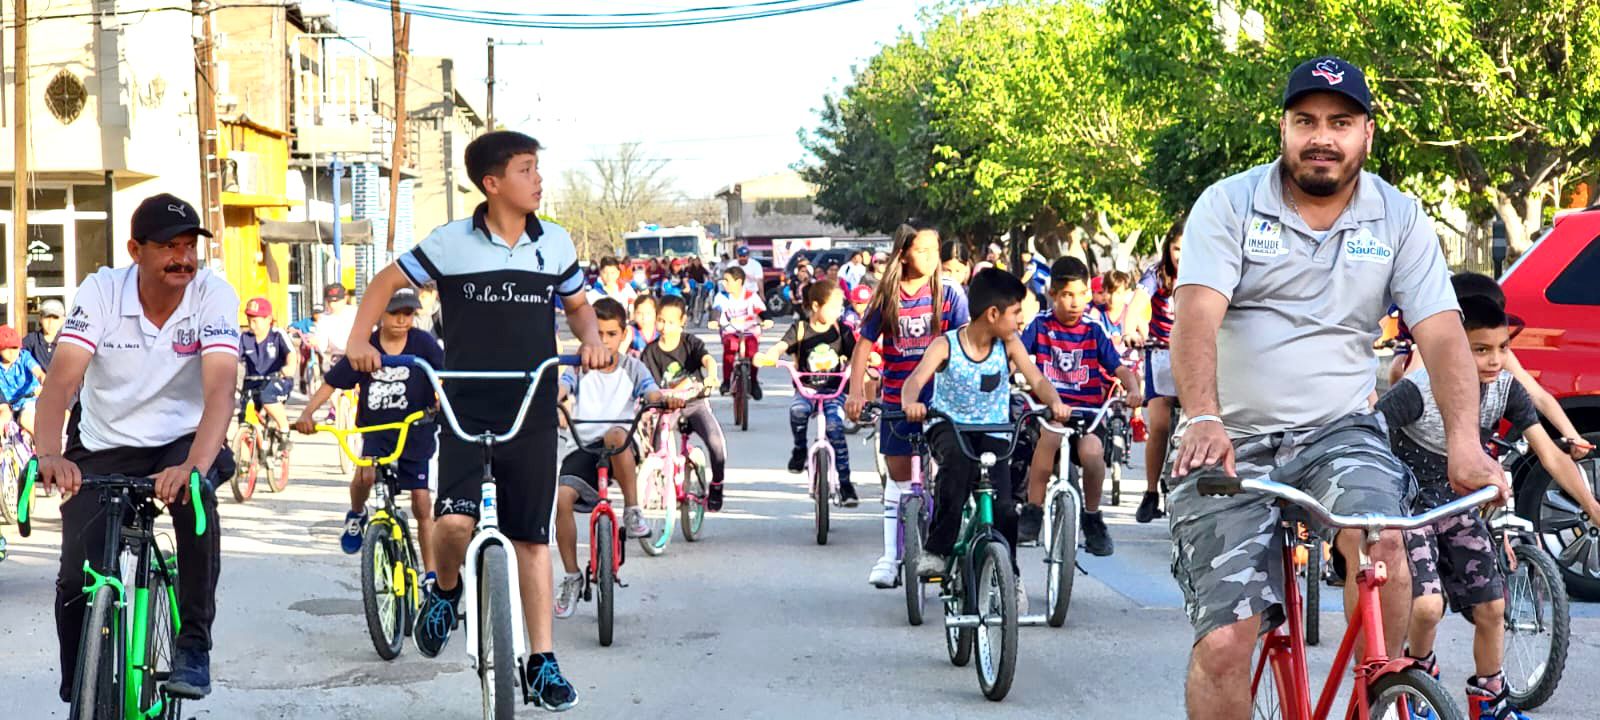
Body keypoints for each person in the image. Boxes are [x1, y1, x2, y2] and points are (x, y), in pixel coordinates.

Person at [1166, 57, 1501, 720]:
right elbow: (1197, 314)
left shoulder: (1398, 217)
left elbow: (1440, 334)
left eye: (1340, 122)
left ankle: (1374, 692)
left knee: (1388, 548)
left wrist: (1465, 443)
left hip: (1340, 434)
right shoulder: (1230, 204)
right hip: (1228, 438)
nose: (1322, 136)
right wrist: (1202, 417)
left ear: (1366, 134)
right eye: (1306, 121)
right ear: (1284, 129)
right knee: (1229, 644)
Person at [343, 130, 602, 710]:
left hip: (532, 407)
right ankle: (445, 588)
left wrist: (592, 344)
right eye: (526, 170)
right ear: (492, 183)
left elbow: (581, 309)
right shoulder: (451, 243)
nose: (538, 179)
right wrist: (358, 340)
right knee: (454, 526)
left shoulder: (555, 244)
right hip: (463, 407)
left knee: (530, 538)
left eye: (538, 169)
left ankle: (541, 662)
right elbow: (388, 281)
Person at [36, 192, 240, 702]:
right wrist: (47, 454)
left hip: (181, 438)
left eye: (191, 245)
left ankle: (194, 645)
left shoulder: (212, 294)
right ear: (135, 250)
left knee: (197, 501)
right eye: (170, 246)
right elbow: (60, 384)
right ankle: (80, 678)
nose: (185, 258)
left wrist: (194, 466)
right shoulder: (102, 291)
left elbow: (220, 390)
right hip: (105, 441)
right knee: (75, 574)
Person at [1376, 295, 1600, 720]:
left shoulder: (1505, 391)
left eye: (1502, 348)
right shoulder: (1417, 391)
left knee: (1493, 606)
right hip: (1408, 506)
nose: (1496, 360)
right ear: (1453, 348)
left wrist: (1591, 506)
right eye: (1481, 349)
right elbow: (1369, 439)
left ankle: (1489, 702)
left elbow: (1550, 455)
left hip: (1459, 502)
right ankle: (1418, 685)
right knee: (1426, 606)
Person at [902, 269, 1068, 600]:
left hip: (994, 431)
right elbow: (916, 380)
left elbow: (1036, 379)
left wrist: (1055, 402)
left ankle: (1010, 575)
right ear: (993, 314)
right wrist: (911, 403)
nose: (1021, 320)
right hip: (949, 427)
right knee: (958, 470)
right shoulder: (945, 344)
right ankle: (937, 548)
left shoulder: (1008, 345)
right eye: (1016, 312)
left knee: (1006, 508)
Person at [846, 221, 970, 589]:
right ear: (903, 254)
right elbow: (864, 346)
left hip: (943, 400)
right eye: (922, 251)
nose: (932, 259)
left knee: (952, 473)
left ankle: (951, 547)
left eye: (935, 251)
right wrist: (856, 392)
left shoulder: (951, 294)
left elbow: (964, 341)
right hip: (899, 399)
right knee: (898, 481)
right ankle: (890, 555)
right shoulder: (887, 295)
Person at [297, 288, 444, 568]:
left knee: (422, 503)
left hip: (416, 430)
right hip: (377, 429)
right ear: (379, 314)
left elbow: (445, 374)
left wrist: (443, 402)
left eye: (408, 313)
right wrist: (307, 412)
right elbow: (332, 382)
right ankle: (356, 514)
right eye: (395, 313)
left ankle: (431, 575)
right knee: (364, 475)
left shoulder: (423, 344)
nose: (402, 320)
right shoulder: (366, 346)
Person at [554, 297, 677, 618]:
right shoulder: (577, 367)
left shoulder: (633, 367)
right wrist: (555, 402)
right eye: (599, 333)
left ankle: (633, 511)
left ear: (624, 335)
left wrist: (662, 401)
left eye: (611, 334)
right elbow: (561, 389)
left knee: (616, 435)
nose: (604, 341)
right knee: (562, 499)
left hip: (621, 449)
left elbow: (650, 392)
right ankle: (570, 576)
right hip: (583, 446)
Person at [1015, 258, 1142, 555]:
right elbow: (1016, 355)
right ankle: (1033, 511)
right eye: (1067, 295)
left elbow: (1119, 368)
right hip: (1049, 415)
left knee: (1093, 453)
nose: (1074, 302)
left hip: (1088, 416)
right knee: (1051, 436)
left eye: (1081, 294)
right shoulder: (1040, 325)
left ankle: (1092, 517)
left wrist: (1134, 389)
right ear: (1053, 295)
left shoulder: (1093, 329)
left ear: (1088, 294)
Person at [758, 281, 858, 503]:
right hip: (807, 389)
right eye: (832, 307)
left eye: (839, 307)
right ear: (815, 306)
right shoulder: (800, 329)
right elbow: (781, 346)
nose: (837, 312)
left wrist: (868, 360)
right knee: (798, 411)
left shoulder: (841, 330)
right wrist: (770, 355)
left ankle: (846, 484)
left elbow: (857, 353)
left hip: (835, 390)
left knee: (836, 428)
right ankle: (800, 449)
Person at [640, 295, 729, 510]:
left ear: (683, 321)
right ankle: (657, 479)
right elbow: (643, 380)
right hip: (665, 407)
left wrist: (711, 375)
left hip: (693, 403)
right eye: (660, 320)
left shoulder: (691, 343)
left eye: (671, 322)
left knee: (716, 444)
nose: (664, 327)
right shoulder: (650, 351)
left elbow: (707, 359)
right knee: (653, 444)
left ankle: (716, 485)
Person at [1127, 222, 1182, 523]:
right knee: (1159, 424)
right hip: (1161, 354)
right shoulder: (1157, 274)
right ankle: (1150, 492)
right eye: (1176, 249)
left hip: (1198, 355)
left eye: (1188, 248)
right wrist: (1129, 332)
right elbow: (1136, 307)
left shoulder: (1210, 268)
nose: (1181, 256)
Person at [238, 298, 297, 441]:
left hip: (277, 380)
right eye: (248, 320)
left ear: (268, 319)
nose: (251, 325)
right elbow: (233, 358)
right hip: (252, 383)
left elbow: (291, 354)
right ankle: (246, 460)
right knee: (244, 418)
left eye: (255, 321)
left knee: (268, 396)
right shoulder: (245, 338)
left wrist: (289, 368)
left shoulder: (277, 335)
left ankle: (284, 429)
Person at [709, 266, 771, 399]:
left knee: (753, 352)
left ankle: (754, 382)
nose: (724, 283)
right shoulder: (722, 296)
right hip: (730, 330)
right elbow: (716, 311)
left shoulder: (750, 295)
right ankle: (726, 381)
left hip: (749, 330)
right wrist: (714, 320)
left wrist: (768, 320)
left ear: (738, 282)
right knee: (730, 348)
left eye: (727, 280)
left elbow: (762, 311)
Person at [0, 325, 43, 434]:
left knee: (26, 420)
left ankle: (43, 448)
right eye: (6, 348)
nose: (11, 352)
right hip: (7, 407)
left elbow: (39, 373)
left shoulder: (24, 357)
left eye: (15, 347)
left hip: (28, 401)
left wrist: (45, 385)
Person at [317, 283, 357, 366]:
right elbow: (322, 345)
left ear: (345, 299)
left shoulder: (356, 313)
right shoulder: (324, 318)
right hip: (337, 360)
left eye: (336, 301)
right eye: (329, 301)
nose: (332, 305)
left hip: (358, 358)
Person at [23, 298, 66, 372]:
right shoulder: (30, 340)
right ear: (40, 319)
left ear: (62, 320)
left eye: (55, 318)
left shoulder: (68, 342)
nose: (50, 322)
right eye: (47, 317)